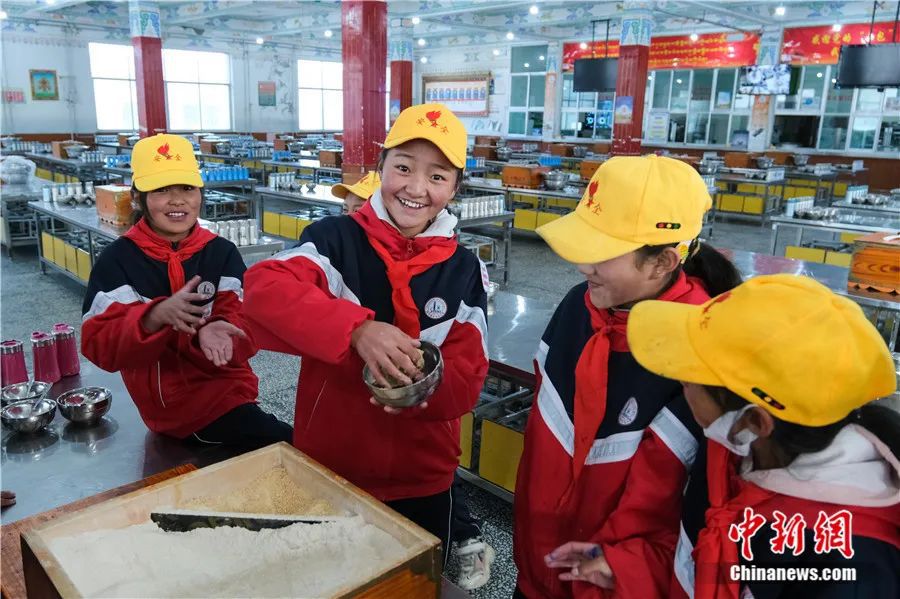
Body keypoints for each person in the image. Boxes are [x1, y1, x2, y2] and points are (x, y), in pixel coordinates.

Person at [242, 103, 489, 559]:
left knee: (414, 581)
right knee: (329, 573)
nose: (416, 188)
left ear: (455, 188)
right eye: (403, 167)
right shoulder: (334, 241)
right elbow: (263, 288)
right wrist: (356, 329)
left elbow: (469, 376)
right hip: (333, 464)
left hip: (424, 472)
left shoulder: (464, 269)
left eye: (437, 176)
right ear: (380, 168)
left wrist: (421, 390)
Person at [561, 274, 900, 599]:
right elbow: (708, 571)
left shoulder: (851, 566)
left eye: (692, 377)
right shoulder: (733, 453)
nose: (681, 382)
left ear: (756, 420)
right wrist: (626, 569)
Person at [514, 155, 742, 598]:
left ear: (662, 262)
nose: (583, 266)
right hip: (539, 562)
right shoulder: (578, 306)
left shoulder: (701, 352)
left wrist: (623, 569)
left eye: (600, 253)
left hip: (615, 583)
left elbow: (697, 504)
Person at [81, 134, 292, 449]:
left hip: (228, 390)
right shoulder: (119, 260)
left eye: (187, 188)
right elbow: (98, 343)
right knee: (291, 446)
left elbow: (245, 319)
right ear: (137, 198)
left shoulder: (220, 252)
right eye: (162, 190)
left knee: (288, 445)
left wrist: (222, 326)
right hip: (175, 409)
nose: (177, 200)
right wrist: (153, 317)